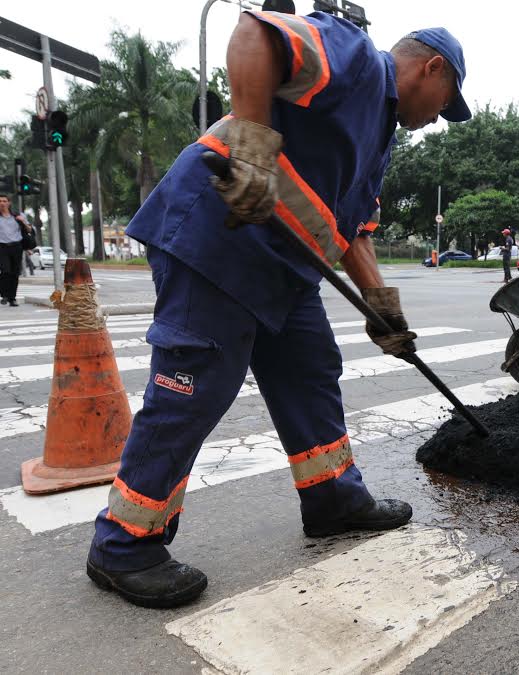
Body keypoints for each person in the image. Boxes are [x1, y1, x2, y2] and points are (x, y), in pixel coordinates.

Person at [86, 10, 472, 609]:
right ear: (433, 68)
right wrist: (253, 148)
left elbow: (354, 230)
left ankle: (333, 498)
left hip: (283, 267)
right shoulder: (359, 60)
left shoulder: (381, 138)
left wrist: (381, 307)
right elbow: (255, 35)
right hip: (218, 240)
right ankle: (123, 544)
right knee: (196, 387)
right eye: (444, 104)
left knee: (311, 370)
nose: (435, 120)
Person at [0, 195, 30, 306]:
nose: (2, 203)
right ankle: (4, 295)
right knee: (5, 270)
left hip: (16, 247)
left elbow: (29, 230)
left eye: (4, 201)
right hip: (2, 247)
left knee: (15, 273)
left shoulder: (18, 215)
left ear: (9, 203)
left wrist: (23, 222)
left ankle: (12, 298)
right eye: (0, 201)